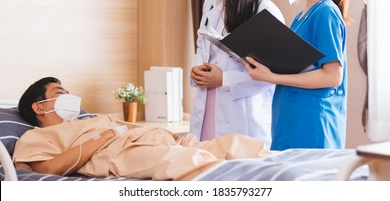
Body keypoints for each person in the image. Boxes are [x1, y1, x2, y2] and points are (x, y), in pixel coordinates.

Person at [13, 77, 272, 181]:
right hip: (116, 153)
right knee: (183, 161)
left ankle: (275, 164)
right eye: (60, 93)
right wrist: (102, 138)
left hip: (149, 137)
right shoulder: (34, 136)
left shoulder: (85, 120)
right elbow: (47, 169)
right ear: (39, 107)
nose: (69, 96)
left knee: (231, 145)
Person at [244, 0, 351, 151]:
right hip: (290, 118)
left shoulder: (325, 14)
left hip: (312, 124)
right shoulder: (301, 16)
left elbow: (333, 76)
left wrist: (272, 76)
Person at [190, 0, 284, 146]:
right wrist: (196, 69)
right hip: (206, 106)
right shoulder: (211, 3)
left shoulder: (264, 11)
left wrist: (224, 79)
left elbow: (272, 74)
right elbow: (201, 47)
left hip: (241, 114)